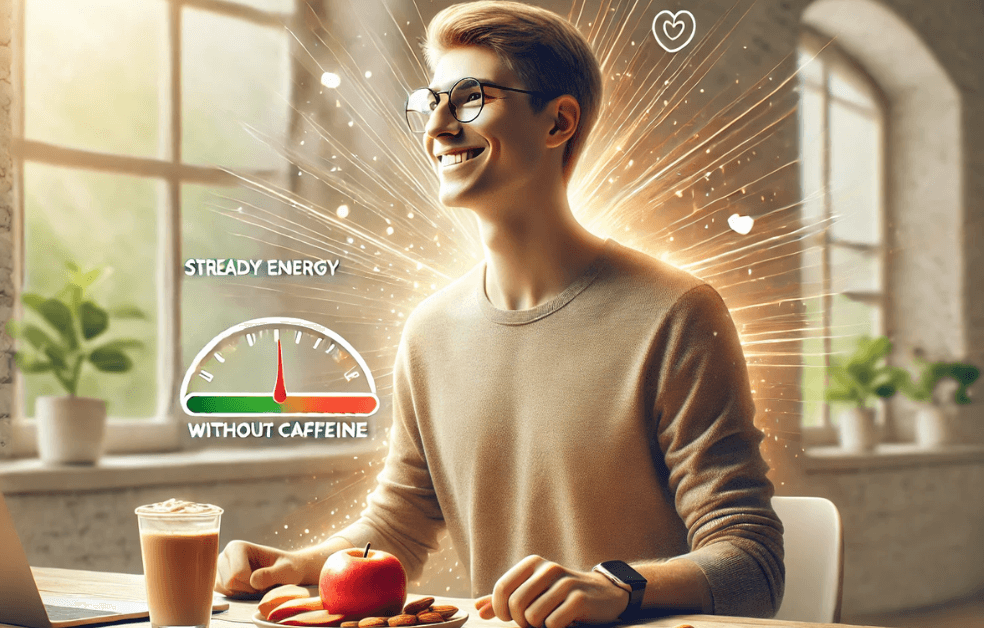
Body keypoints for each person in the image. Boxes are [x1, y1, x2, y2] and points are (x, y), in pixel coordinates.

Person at [215, 2, 784, 624]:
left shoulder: (675, 314)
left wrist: (616, 586)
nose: (438, 126)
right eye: (429, 103)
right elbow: (396, 526)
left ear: (558, 122)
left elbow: (752, 565)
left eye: (468, 99)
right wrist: (298, 565)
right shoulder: (428, 333)